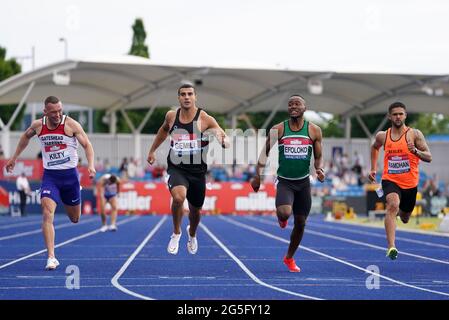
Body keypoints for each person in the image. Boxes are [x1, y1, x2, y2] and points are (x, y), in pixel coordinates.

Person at [5, 96, 95, 270]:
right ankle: (51, 257)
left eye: (60, 110)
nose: (58, 114)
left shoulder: (71, 125)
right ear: (45, 111)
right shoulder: (38, 125)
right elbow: (25, 137)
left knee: (75, 218)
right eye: (53, 112)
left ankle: (77, 191)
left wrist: (90, 165)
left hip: (70, 178)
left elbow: (87, 144)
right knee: (47, 213)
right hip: (50, 178)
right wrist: (14, 158)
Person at [147, 84, 229, 255]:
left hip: (198, 172)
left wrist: (223, 140)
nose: (186, 97)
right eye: (183, 94)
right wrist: (152, 150)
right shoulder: (171, 116)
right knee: (178, 198)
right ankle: (176, 233)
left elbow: (219, 132)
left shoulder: (205, 118)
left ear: (195, 97)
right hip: (177, 168)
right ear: (178, 98)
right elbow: (163, 131)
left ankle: (192, 234)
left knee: (195, 211)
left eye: (190, 94)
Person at [250, 94, 325, 272]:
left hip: (304, 182)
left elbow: (318, 155)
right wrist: (257, 175)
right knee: (284, 213)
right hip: (285, 182)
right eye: (290, 104)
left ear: (304, 108)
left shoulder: (314, 130)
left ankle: (289, 258)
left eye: (297, 104)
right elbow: (264, 152)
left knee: (301, 223)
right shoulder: (279, 129)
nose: (293, 106)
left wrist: (319, 169)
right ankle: (282, 218)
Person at [369, 101, 432, 260]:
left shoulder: (415, 134)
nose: (398, 117)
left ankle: (398, 216)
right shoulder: (382, 136)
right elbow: (374, 147)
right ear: (389, 116)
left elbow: (429, 157)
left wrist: (415, 151)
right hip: (390, 180)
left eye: (400, 114)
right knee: (392, 205)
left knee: (404, 218)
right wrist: (373, 168)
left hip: (410, 184)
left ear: (405, 115)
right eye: (395, 114)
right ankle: (391, 247)